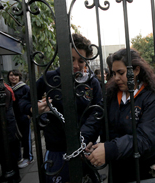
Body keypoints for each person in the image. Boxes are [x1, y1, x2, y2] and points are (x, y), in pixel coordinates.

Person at [19, 33, 102, 183]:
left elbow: (98, 112)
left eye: (81, 61)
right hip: (56, 149)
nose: (76, 65)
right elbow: (24, 101)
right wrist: (33, 109)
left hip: (85, 147)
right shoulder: (49, 78)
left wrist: (85, 136)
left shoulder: (92, 82)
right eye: (71, 60)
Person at [85, 48, 155, 182]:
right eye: (114, 73)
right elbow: (96, 118)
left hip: (144, 168)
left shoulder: (152, 97)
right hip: (117, 167)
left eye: (121, 73)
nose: (116, 78)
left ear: (136, 70)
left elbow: (145, 138)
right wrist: (83, 139)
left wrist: (110, 149)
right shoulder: (111, 94)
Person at [7, 70, 34, 168]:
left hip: (24, 116)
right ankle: (19, 157)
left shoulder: (24, 88)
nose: (13, 77)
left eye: (15, 75)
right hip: (13, 117)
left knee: (26, 137)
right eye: (11, 75)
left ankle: (28, 157)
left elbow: (31, 100)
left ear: (19, 77)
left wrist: (29, 114)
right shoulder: (9, 89)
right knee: (16, 138)